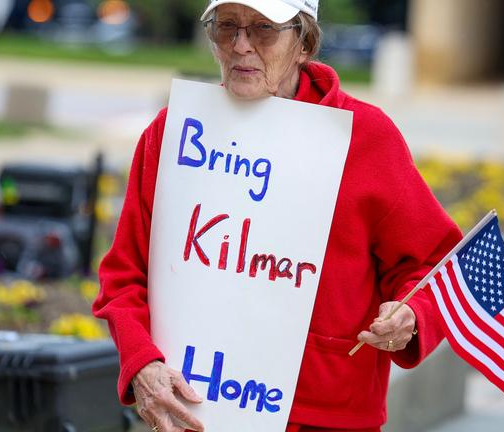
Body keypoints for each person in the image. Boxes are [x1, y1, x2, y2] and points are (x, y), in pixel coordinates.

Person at [92, 1, 462, 431]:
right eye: (226, 27)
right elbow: (123, 275)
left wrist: (411, 315)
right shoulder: (172, 132)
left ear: (304, 42)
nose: (241, 45)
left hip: (329, 417)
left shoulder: (367, 137)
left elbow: (432, 264)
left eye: (263, 29)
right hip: (194, 411)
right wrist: (142, 362)